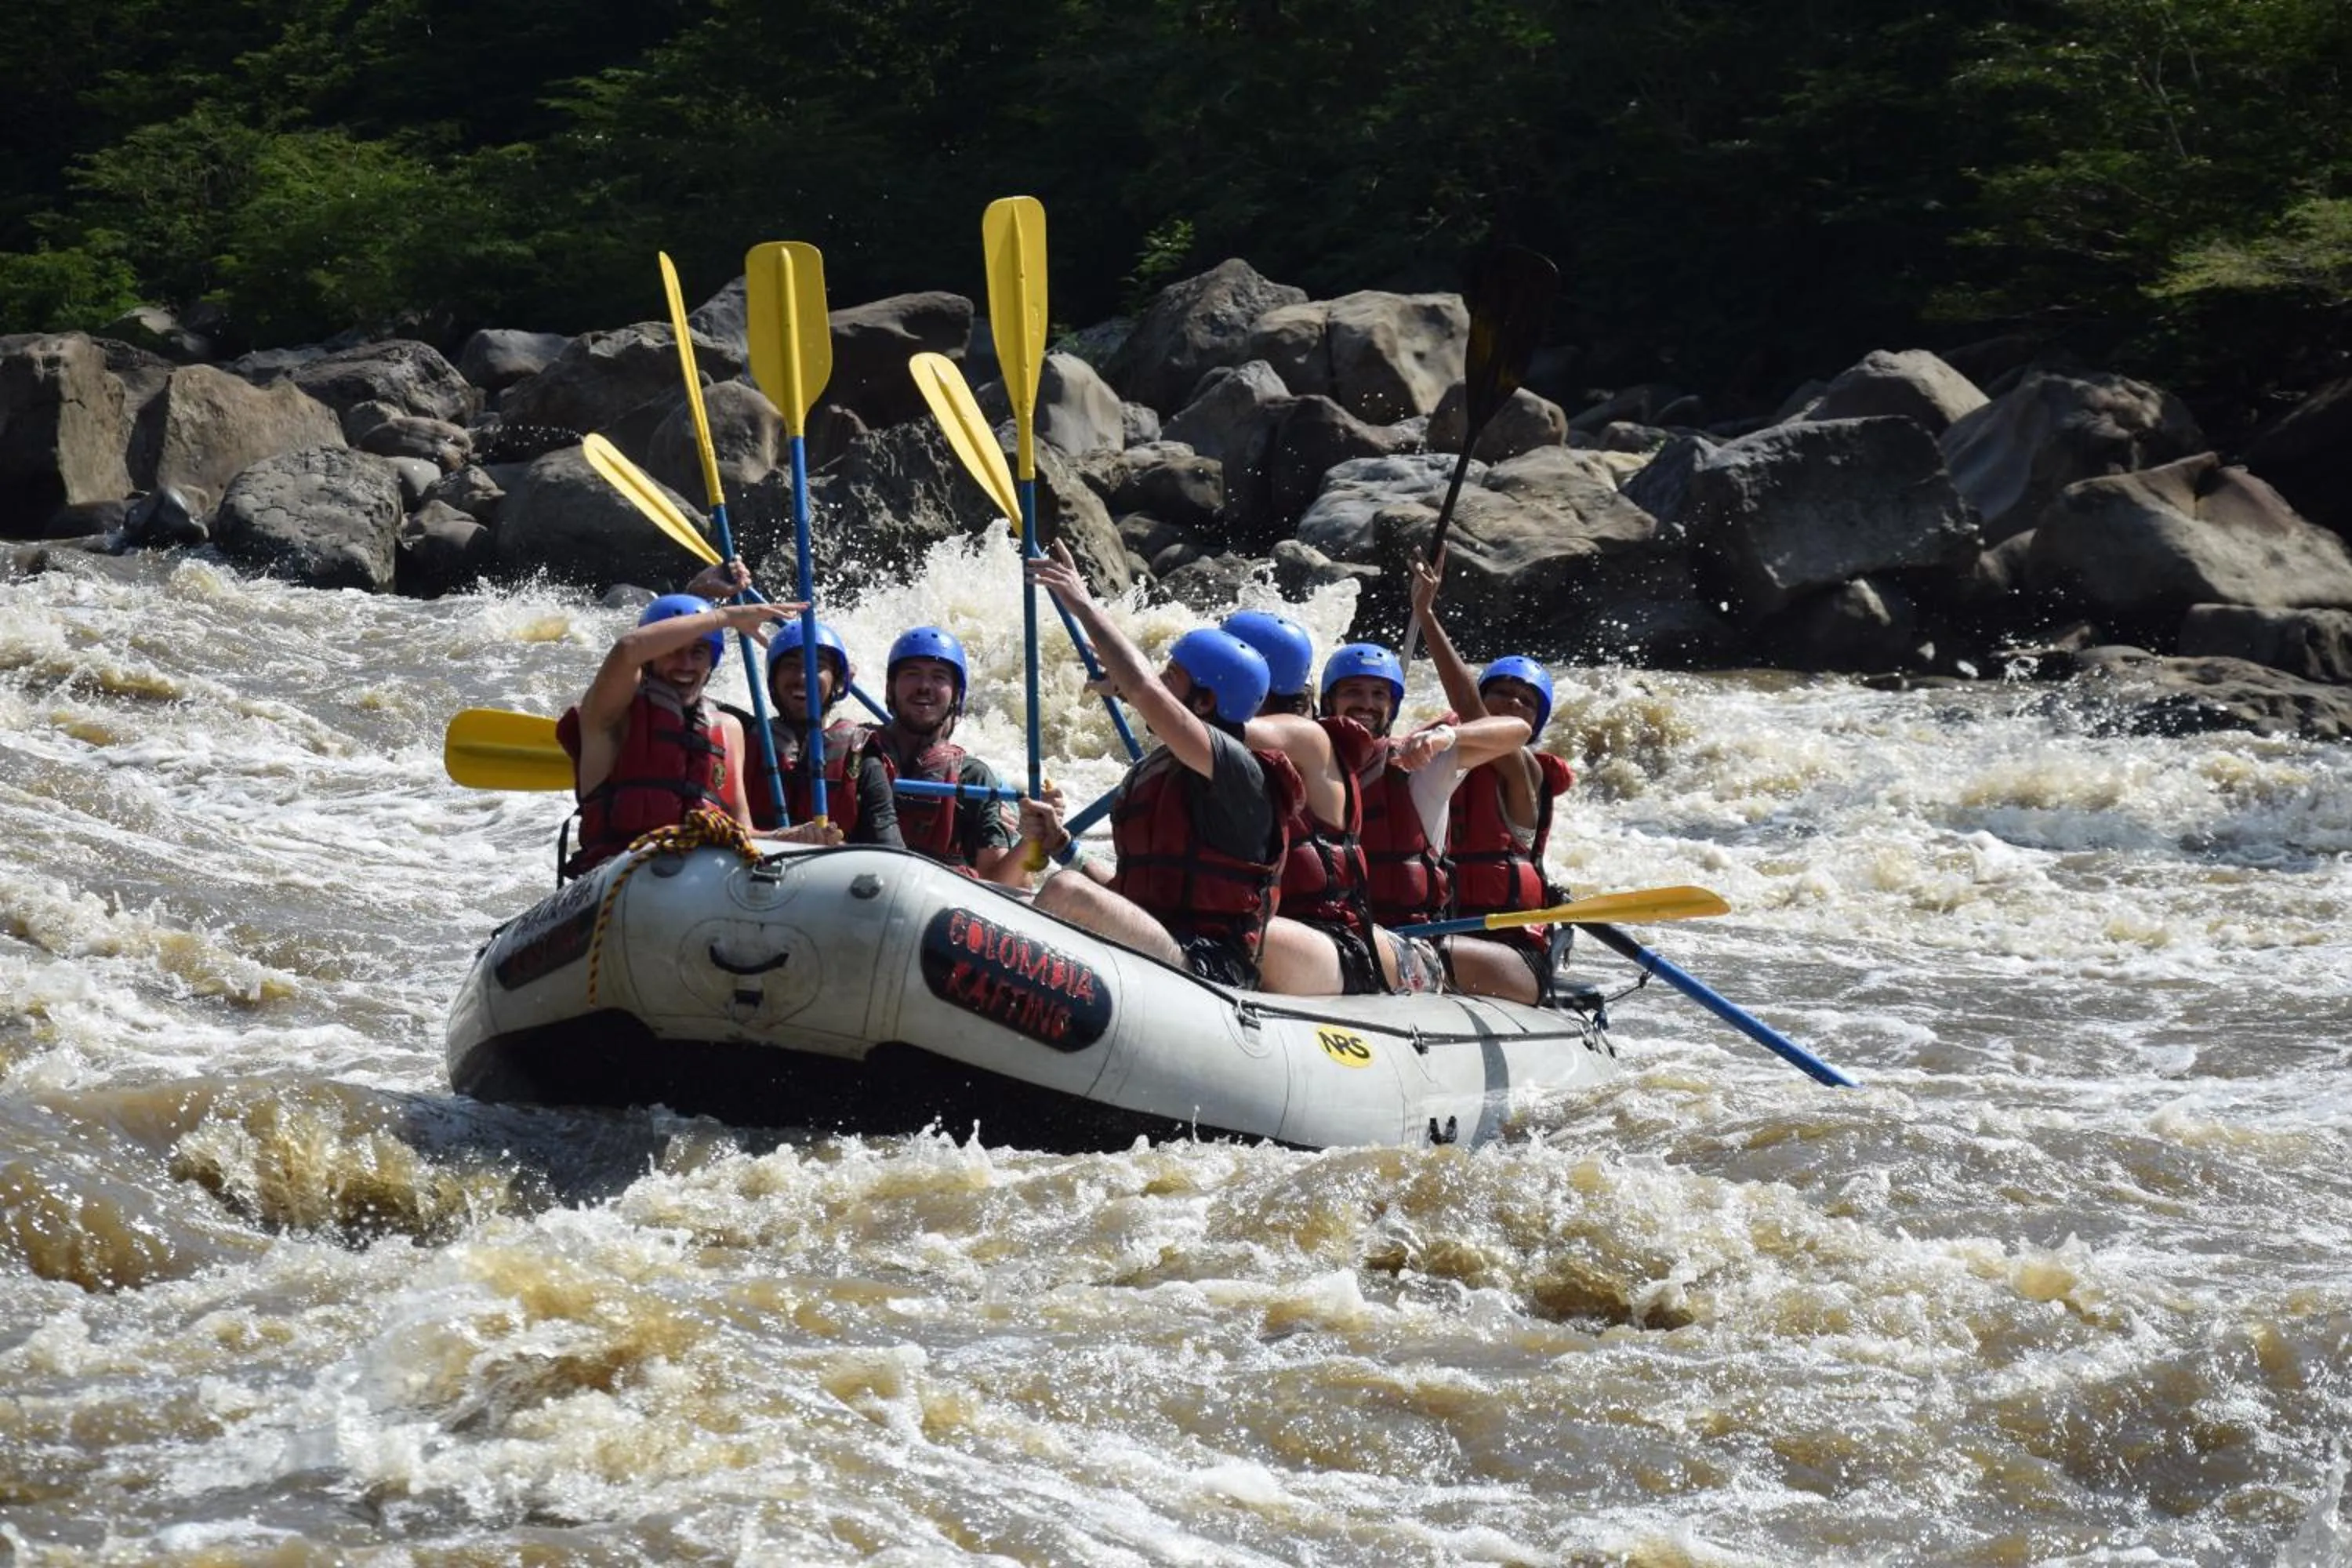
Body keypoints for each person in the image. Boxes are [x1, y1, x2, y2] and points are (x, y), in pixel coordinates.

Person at [1018, 540, 1303, 988]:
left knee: (1065, 894)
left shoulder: (1234, 768)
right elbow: (1133, 889)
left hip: (1210, 967)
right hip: (1160, 941)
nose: (1159, 680)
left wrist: (1084, 605)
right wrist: (1061, 845)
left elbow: (1145, 690)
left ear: (1206, 702)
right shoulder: (1166, 767)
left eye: (1172, 675)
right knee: (1059, 886)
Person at [1323, 564, 1541, 1001]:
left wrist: (1425, 614)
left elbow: (1501, 728)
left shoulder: (1425, 764)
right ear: (1327, 700)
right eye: (1353, 692)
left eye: (1379, 695)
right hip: (1356, 935)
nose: (1365, 703)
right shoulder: (1311, 761)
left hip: (1439, 944)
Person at [555, 590, 823, 878]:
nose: (685, 665)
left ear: (712, 661)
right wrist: (726, 617)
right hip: (620, 872)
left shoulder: (729, 729)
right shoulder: (612, 712)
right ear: (651, 658)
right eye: (673, 651)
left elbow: (742, 831)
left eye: (698, 653)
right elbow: (627, 649)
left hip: (702, 879)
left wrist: (794, 837)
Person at [1221, 608, 1421, 994]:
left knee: (1228, 928)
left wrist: (1140, 687)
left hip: (1340, 945)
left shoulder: (1308, 742)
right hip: (1277, 934)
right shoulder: (1210, 755)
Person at [1418, 564, 1578, 1004]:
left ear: (1535, 725)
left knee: (1404, 954)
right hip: (1437, 931)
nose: (1512, 702)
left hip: (1511, 955)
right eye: (1501, 693)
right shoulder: (1436, 762)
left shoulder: (1524, 770)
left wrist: (1427, 617)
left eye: (1526, 701)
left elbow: (1472, 715)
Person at [866, 626, 1032, 886]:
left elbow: (1003, 884)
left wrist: (1032, 842)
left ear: (956, 696)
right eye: (912, 674)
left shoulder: (973, 778)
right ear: (890, 689)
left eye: (939, 677)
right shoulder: (856, 753)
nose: (924, 686)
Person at [742, 618, 902, 844]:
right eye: (790, 665)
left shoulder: (861, 757)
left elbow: (890, 850)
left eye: (817, 667)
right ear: (773, 681)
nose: (802, 677)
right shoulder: (742, 735)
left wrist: (836, 848)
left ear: (837, 682)